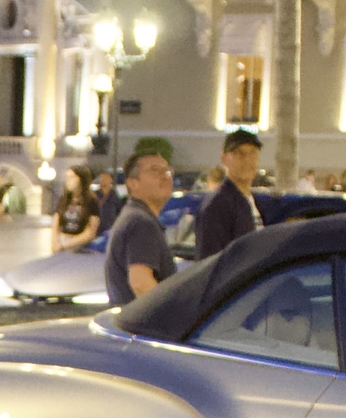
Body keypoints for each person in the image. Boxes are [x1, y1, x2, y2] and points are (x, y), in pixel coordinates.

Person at [103, 150, 177, 305]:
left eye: (168, 171)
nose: (165, 176)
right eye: (155, 170)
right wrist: (173, 316)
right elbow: (141, 284)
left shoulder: (134, 216)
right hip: (142, 327)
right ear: (132, 183)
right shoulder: (141, 222)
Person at [194, 128, 265, 260]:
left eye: (253, 153)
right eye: (239, 154)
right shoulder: (217, 205)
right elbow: (209, 262)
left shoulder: (255, 202)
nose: (247, 160)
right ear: (224, 159)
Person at [52, 167, 100, 252]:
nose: (68, 181)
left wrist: (66, 244)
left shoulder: (91, 202)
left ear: (81, 180)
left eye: (72, 177)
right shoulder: (63, 200)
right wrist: (56, 242)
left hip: (80, 246)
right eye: (67, 177)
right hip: (62, 242)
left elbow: (90, 232)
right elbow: (56, 224)